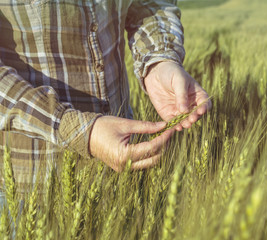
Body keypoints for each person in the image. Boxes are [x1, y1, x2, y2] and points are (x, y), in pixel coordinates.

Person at [0, 0, 211, 192]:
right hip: (30, 187)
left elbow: (149, 4)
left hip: (128, 169)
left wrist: (159, 61)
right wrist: (77, 129)